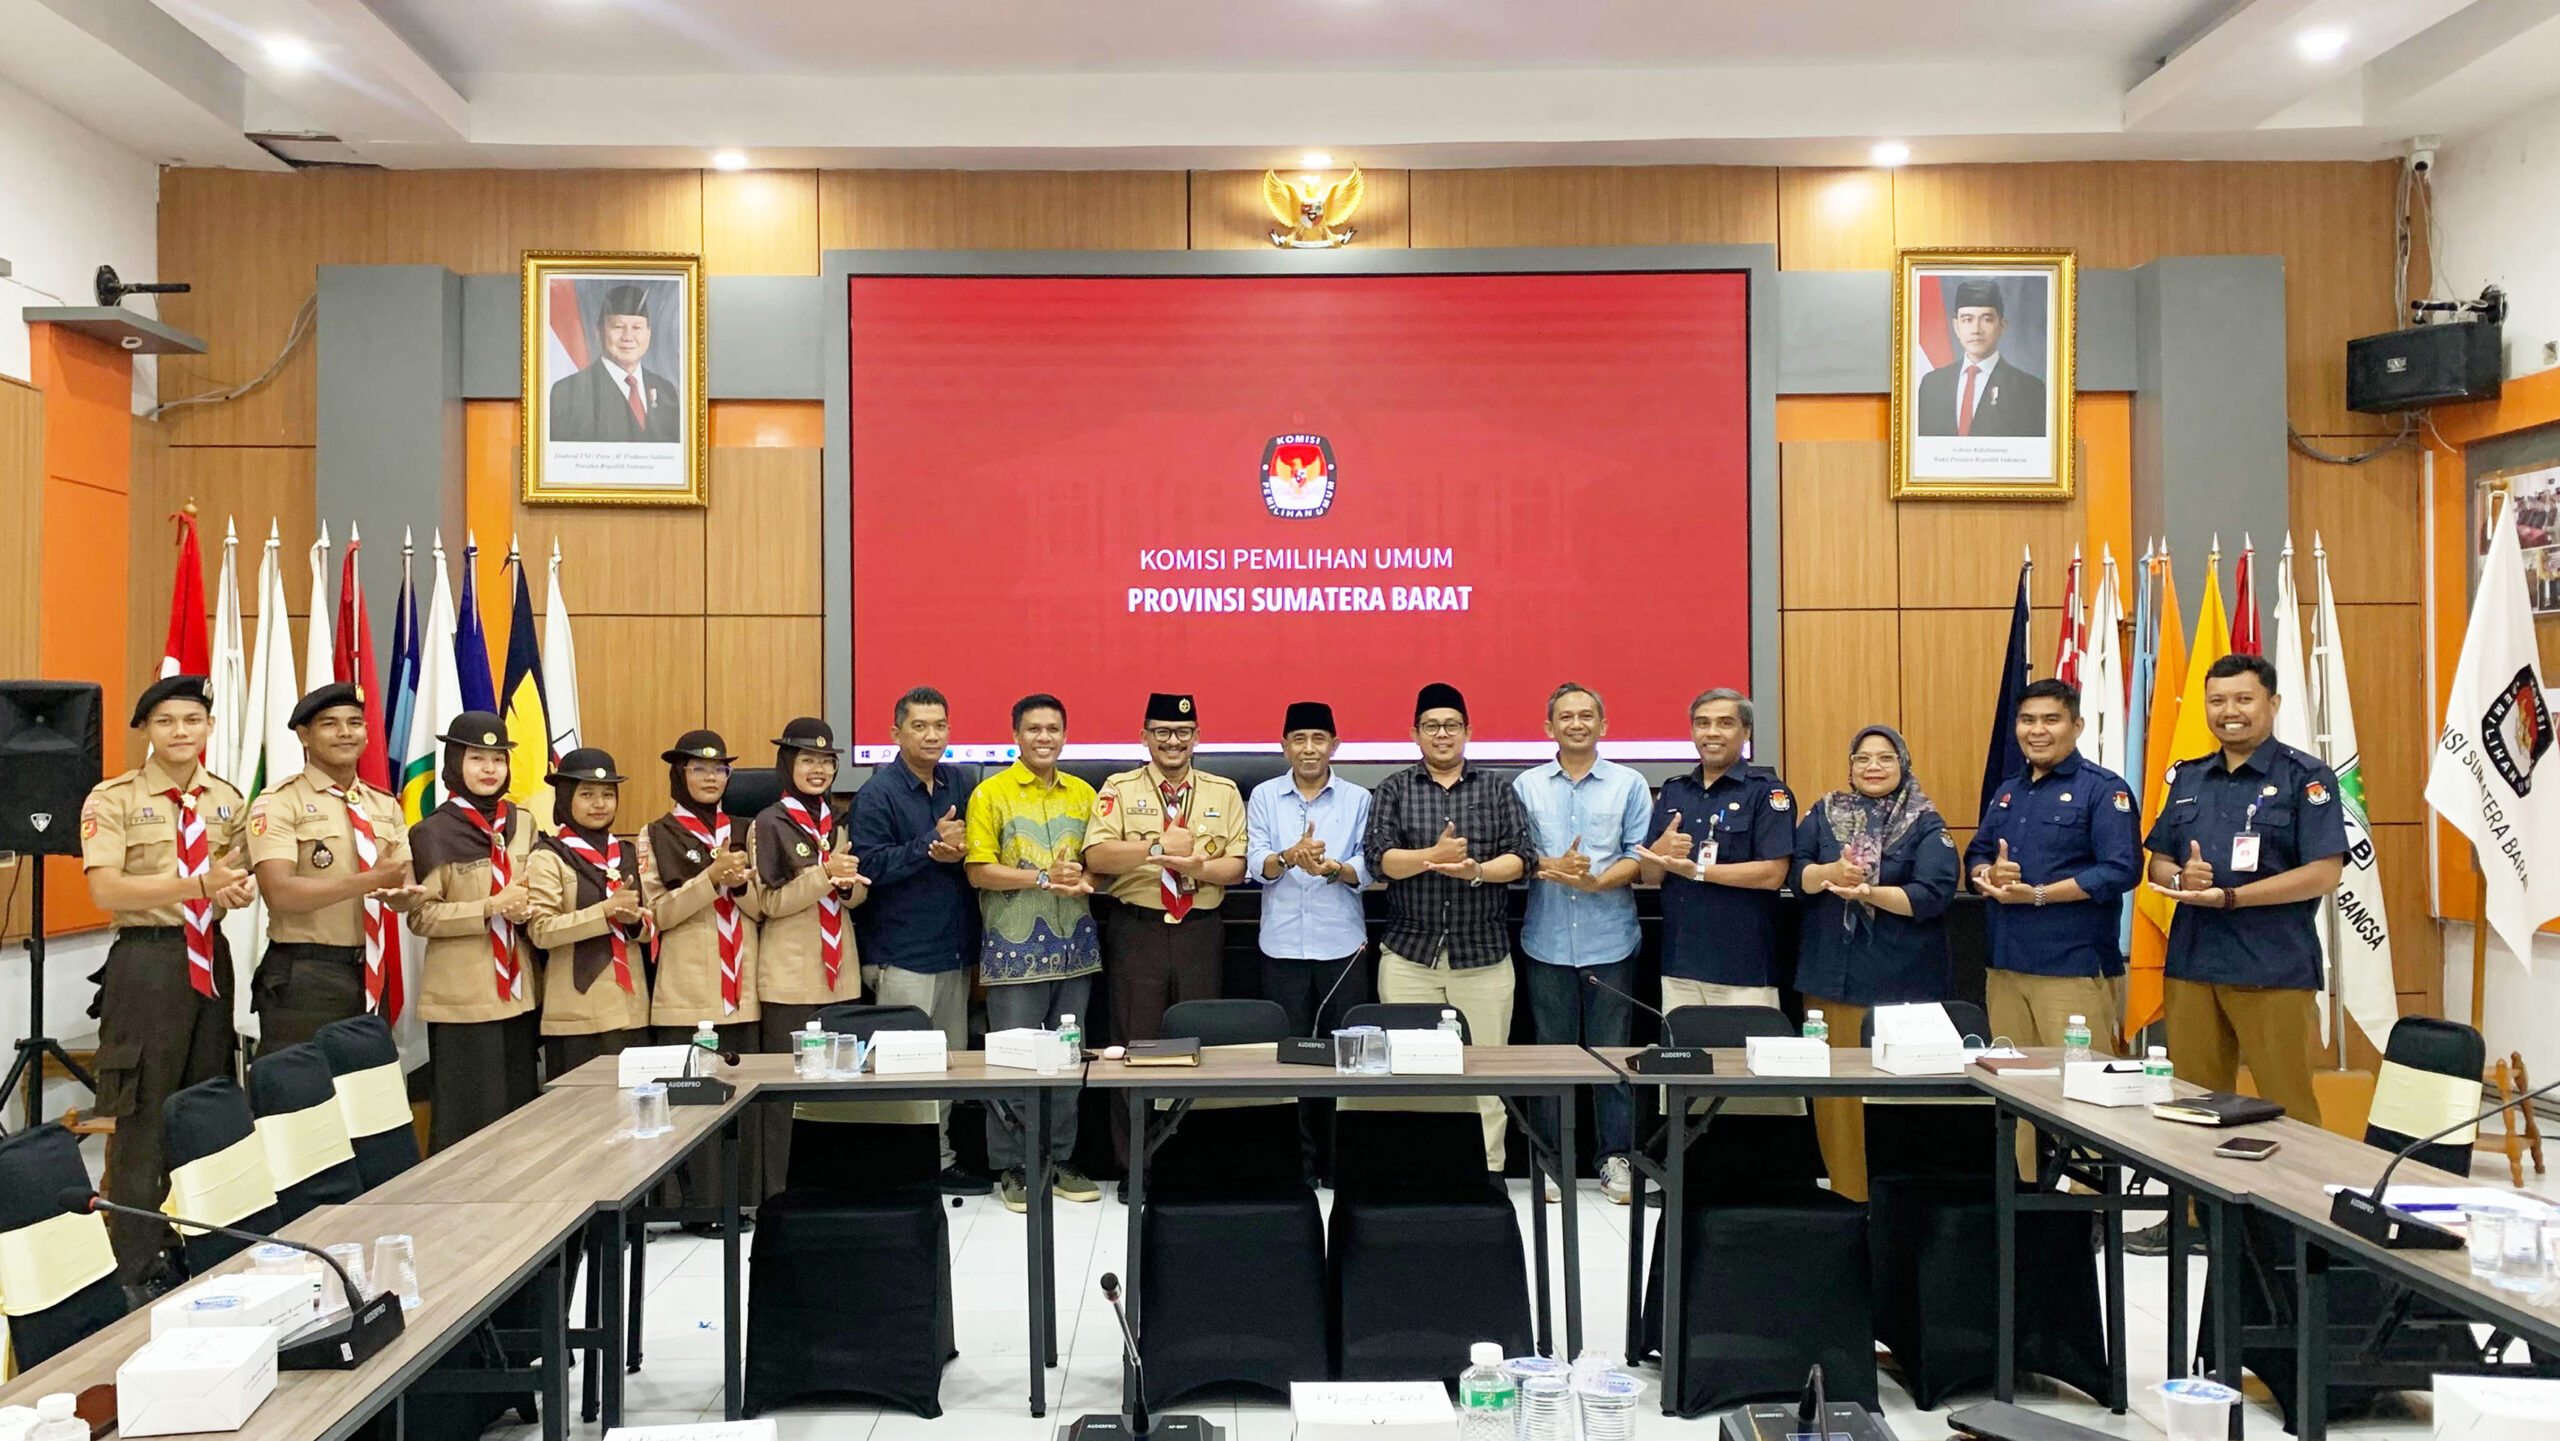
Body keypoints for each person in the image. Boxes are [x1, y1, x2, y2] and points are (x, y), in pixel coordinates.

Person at [80, 674, 254, 1288]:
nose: (181, 732)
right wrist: (198, 885)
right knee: (144, 1116)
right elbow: (106, 890)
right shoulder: (114, 798)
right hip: (148, 962)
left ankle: (203, 1251)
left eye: (192, 720)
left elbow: (239, 873)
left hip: (210, 958)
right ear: (146, 731)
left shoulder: (227, 798)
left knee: (206, 1106)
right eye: (165, 721)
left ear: (209, 727)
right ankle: (136, 1265)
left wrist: (233, 889)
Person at [2142, 653, 2344, 1125]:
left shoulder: (2306, 777)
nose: (2229, 711)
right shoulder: (2189, 776)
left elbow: (2324, 873)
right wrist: (2181, 879)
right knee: (2193, 1109)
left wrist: (2232, 897)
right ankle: (2196, 1182)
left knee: (2288, 1111)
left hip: (2272, 969)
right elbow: (2159, 863)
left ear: (2273, 703)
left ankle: (2294, 1181)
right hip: (2193, 966)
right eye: (2217, 701)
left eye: (2244, 699)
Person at [1365, 682, 1533, 1171]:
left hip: (1482, 956)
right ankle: (1419, 1172)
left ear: (1468, 732)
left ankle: (1488, 1173)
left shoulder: (1496, 788)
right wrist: (1432, 856)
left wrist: (1476, 871)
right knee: (1409, 1072)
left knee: (1485, 1076)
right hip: (1409, 956)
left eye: (1452, 726)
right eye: (1432, 726)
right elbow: (1379, 860)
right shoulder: (1395, 788)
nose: (1442, 734)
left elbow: (1521, 858)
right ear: (1415, 733)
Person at [1084, 693, 1248, 1167]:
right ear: (1144, 737)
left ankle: (1192, 1162)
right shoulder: (1119, 788)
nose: (1172, 741)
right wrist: (1158, 847)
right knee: (1133, 1047)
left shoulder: (1223, 791)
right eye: (1161, 732)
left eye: (1182, 732)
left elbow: (1237, 868)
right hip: (1140, 932)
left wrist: (1198, 866)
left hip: (1200, 931)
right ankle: (1135, 1164)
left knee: (1200, 1044)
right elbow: (1097, 856)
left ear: (1197, 737)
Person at [1514, 683, 1653, 1205]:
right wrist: (1550, 865)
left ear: (1603, 725)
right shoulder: (1526, 785)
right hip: (1546, 940)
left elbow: (1639, 856)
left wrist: (1595, 882)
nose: (1576, 723)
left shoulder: (1629, 783)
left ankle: (1615, 1159)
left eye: (1586, 715)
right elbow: (1515, 854)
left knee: (1612, 1058)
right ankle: (1551, 1161)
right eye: (1566, 716)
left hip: (1609, 939)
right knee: (1550, 1056)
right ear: (1549, 727)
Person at [967, 694, 1105, 1212]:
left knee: (1069, 1060)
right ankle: (1015, 1165)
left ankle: (1060, 1159)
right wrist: (1043, 878)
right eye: (1033, 729)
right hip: (1014, 952)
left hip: (1075, 950)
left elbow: (1098, 864)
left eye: (1052, 729)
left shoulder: (1085, 794)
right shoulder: (990, 794)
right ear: (1016, 735)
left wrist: (1088, 879)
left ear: (1065, 735)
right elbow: (978, 870)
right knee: (1014, 1062)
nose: (1044, 738)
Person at [846, 687, 987, 1196]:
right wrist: (930, 845)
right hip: (901, 953)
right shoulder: (877, 794)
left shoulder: (961, 782)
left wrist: (961, 849)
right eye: (920, 726)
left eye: (940, 726)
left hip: (953, 949)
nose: (932, 736)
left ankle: (941, 1160)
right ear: (896, 733)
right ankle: (901, 1169)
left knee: (946, 1065)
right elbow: (868, 867)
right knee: (902, 1069)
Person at [1966, 679, 2141, 1053]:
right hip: (2004, 968)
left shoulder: (2104, 789)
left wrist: (2039, 895)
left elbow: (2120, 869)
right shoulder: (2008, 790)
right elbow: (1976, 853)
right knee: (2013, 1081)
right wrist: (1988, 875)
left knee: (2081, 1083)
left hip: (2071, 968)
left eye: (2051, 719)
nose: (2037, 730)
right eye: (2027, 720)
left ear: (2077, 726)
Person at [248, 681, 420, 1055]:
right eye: (330, 724)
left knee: (369, 1086)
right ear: (304, 735)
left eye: (354, 723)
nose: (345, 732)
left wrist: (404, 895)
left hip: (371, 969)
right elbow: (280, 894)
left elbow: (402, 884)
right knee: (305, 1087)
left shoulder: (383, 804)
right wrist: (368, 880)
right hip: (305, 976)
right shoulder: (280, 802)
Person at [1245, 700, 1372, 1180]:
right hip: (1281, 947)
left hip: (1343, 947)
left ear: (1334, 745)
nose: (1309, 748)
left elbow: (1369, 863)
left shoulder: (1358, 798)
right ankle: (1295, 1167)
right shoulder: (1264, 796)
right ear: (1284, 747)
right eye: (1299, 739)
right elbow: (1256, 862)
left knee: (1348, 1060)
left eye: (1319, 739)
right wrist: (1288, 857)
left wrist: (1334, 868)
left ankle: (1341, 1165)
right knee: (1288, 1060)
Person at [641, 729, 765, 1216]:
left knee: (744, 1102)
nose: (711, 778)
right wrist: (709, 880)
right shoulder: (656, 833)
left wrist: (739, 887)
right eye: (699, 769)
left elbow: (764, 909)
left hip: (744, 988)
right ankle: (699, 1206)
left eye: (720, 770)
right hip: (688, 988)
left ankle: (742, 1202)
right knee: (692, 1106)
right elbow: (656, 915)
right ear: (680, 775)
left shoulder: (747, 830)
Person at [405, 711, 541, 1151]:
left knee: (521, 1121)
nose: (489, 769)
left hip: (519, 995)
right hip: (462, 1001)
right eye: (477, 758)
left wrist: (526, 908)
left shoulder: (522, 823)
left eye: (498, 760)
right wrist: (490, 907)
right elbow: (421, 917)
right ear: (454, 763)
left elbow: (535, 890)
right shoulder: (432, 831)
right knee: (470, 1129)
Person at [751, 718, 869, 1199]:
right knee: (787, 1095)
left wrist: (848, 887)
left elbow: (855, 898)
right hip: (791, 977)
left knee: (840, 1093)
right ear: (787, 765)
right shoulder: (769, 822)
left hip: (841, 975)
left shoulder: (838, 822)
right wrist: (824, 875)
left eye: (826, 761)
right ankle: (782, 1194)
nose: (818, 769)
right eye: (807, 760)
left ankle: (834, 1189)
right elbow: (769, 903)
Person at [1636, 688, 1796, 1012]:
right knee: (1684, 1046)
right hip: (1680, 964)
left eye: (1725, 723)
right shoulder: (1674, 791)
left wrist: (1696, 870)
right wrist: (1661, 851)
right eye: (1702, 723)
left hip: (1744, 967)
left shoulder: (1767, 792)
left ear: (1746, 732)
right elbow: (1650, 875)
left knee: (1746, 1047)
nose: (1711, 732)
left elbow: (1772, 874)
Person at [1794, 725, 1960, 1035]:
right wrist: (1829, 873)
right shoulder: (1824, 811)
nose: (1873, 766)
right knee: (1834, 1065)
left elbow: (1932, 895)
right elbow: (1796, 875)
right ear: (1851, 766)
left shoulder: (1924, 820)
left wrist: (1868, 893)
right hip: (1831, 976)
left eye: (1885, 758)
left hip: (1903, 981)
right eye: (1862, 758)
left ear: (1903, 763)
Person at [526, 748, 652, 1077]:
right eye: (586, 794)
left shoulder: (626, 853)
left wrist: (635, 922)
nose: (599, 804)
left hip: (633, 1010)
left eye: (608, 794)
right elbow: (541, 930)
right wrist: (604, 913)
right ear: (565, 797)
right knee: (581, 1108)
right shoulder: (548, 856)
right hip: (577, 1015)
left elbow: (649, 925)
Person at [548, 284, 682, 443]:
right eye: (618, 327)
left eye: (637, 327)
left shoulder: (666, 391)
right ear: (599, 333)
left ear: (648, 334)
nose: (628, 337)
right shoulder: (568, 393)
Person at [1916, 278, 2047, 438]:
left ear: (2002, 326)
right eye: (1967, 319)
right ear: (1956, 327)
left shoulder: (2029, 390)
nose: (1976, 330)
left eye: (1986, 319)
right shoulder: (1932, 384)